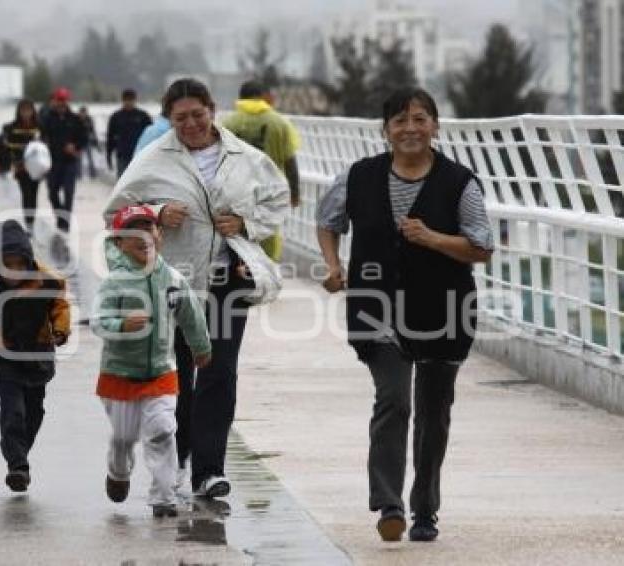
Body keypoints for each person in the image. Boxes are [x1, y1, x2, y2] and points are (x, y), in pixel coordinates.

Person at [316, 87, 494, 543]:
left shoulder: (460, 182)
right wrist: (334, 266)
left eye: (420, 119)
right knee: (394, 399)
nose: (410, 128)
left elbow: (481, 247)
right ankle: (389, 504)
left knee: (434, 413)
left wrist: (433, 238)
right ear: (386, 130)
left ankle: (425, 510)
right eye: (400, 121)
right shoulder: (359, 176)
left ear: (435, 126)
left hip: (444, 309)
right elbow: (328, 220)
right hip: (377, 310)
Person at [104, 78, 289, 499]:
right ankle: (180, 453)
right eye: (180, 117)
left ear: (213, 110)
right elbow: (115, 211)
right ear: (169, 119)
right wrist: (155, 210)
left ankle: (210, 470)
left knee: (219, 372)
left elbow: (278, 199)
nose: (190, 124)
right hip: (177, 284)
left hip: (228, 281)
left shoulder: (245, 156)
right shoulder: (153, 159)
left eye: (198, 114)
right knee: (181, 374)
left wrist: (245, 223)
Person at [91, 204, 211, 518]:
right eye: (134, 231)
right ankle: (118, 473)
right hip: (120, 374)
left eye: (150, 228)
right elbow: (98, 321)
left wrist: (201, 346)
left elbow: (192, 315)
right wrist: (120, 325)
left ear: (159, 235)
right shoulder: (114, 282)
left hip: (161, 372)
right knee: (123, 438)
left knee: (161, 430)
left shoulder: (172, 277)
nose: (144, 235)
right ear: (119, 242)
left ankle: (163, 496)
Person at [0, 219, 70, 492]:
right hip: (1, 355)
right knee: (13, 410)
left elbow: (59, 306)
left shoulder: (48, 280)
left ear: (28, 259)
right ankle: (18, 465)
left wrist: (60, 329)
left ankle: (15, 449)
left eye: (19, 263)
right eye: (6, 264)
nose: (14, 271)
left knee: (34, 411)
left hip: (37, 355)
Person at [223, 79, 301, 262]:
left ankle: (240, 280)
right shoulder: (279, 123)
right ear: (264, 96)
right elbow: (290, 161)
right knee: (267, 238)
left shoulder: (227, 123)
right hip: (269, 194)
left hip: (235, 193)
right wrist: (294, 193)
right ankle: (266, 278)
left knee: (236, 239)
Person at [39, 87, 88, 232]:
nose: (61, 103)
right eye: (59, 100)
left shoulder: (75, 119)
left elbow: (84, 138)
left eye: (63, 100)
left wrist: (76, 147)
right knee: (52, 192)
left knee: (68, 191)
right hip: (53, 162)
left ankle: (65, 221)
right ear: (55, 101)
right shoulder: (47, 119)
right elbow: (41, 137)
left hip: (69, 162)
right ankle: (59, 214)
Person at [2, 99, 42, 233]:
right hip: (21, 168)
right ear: (19, 112)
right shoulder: (12, 128)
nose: (26, 113)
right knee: (26, 194)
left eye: (28, 110)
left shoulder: (38, 126)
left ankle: (32, 220)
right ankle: (28, 223)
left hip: (36, 167)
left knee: (34, 194)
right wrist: (17, 163)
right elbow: (9, 149)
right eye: (23, 110)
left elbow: (43, 147)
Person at [106, 89, 152, 177]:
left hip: (139, 154)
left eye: (131, 100)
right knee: (122, 181)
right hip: (122, 155)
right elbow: (110, 137)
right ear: (123, 100)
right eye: (126, 100)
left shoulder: (142, 116)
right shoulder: (116, 117)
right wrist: (108, 155)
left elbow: (150, 134)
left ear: (135, 100)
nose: (128, 103)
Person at [77, 105, 99, 179]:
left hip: (87, 141)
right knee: (78, 159)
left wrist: (95, 141)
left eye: (84, 113)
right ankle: (78, 174)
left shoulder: (89, 120)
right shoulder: (77, 120)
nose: (83, 114)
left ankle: (93, 174)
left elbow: (92, 130)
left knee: (90, 158)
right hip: (79, 142)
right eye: (82, 113)